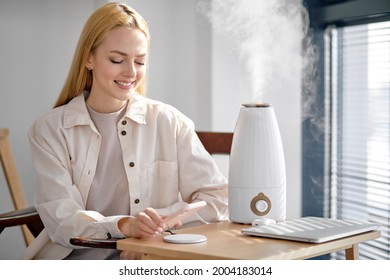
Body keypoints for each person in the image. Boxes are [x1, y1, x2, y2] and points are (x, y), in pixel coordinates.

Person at [23, 2, 228, 260]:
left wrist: (154, 231)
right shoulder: (50, 130)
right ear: (89, 58)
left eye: (140, 61)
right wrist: (125, 227)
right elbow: (62, 219)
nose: (131, 72)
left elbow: (217, 199)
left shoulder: (170, 122)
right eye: (117, 60)